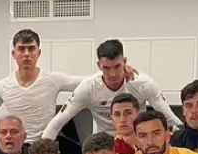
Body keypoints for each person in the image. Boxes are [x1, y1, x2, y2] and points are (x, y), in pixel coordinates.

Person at [41, 39, 181, 140]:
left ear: (125, 62)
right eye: (106, 68)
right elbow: (57, 122)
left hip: (138, 142)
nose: (113, 74)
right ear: (99, 65)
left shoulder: (143, 84)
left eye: (117, 66)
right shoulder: (88, 87)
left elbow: (169, 119)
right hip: (105, 144)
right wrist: (41, 152)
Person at [0, 29, 85, 140]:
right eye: (21, 49)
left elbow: (87, 82)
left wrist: (103, 71)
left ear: (39, 53)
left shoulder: (53, 79)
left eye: (31, 49)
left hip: (44, 147)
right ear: (14, 54)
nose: (26, 54)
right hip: (17, 149)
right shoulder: (3, 86)